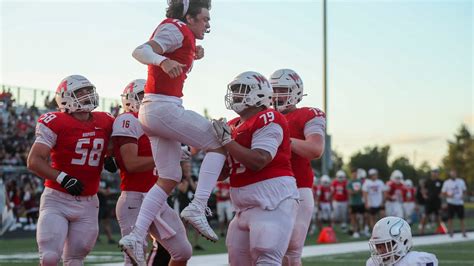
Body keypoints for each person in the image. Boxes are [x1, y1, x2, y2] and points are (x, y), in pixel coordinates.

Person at [120, 3, 226, 262]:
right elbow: (141, 50)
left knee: (169, 176)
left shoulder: (182, 34)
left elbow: (170, 52)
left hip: (154, 110)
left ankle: (136, 235)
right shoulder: (176, 27)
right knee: (219, 144)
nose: (207, 24)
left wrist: (189, 53)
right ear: (188, 17)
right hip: (163, 107)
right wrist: (163, 59)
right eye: (203, 19)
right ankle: (198, 206)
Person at [27, 75, 115, 265]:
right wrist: (63, 178)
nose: (86, 95)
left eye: (88, 90)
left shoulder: (106, 120)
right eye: (80, 92)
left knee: (76, 259)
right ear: (65, 98)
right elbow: (34, 160)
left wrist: (111, 157)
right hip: (57, 198)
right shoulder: (56, 121)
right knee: (50, 257)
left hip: (89, 201)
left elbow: (111, 148)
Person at [215, 71, 299, 265]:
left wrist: (227, 141)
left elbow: (259, 160)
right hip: (242, 207)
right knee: (237, 260)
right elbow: (222, 173)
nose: (235, 95)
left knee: (266, 257)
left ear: (259, 94)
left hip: (271, 201)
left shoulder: (270, 117)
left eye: (241, 89)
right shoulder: (232, 125)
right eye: (234, 90)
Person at [113, 79, 191, 265]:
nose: (147, 100)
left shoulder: (161, 124)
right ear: (130, 99)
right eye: (142, 96)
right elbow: (131, 163)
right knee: (134, 259)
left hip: (158, 199)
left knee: (183, 252)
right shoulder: (128, 119)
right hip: (134, 198)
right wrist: (169, 156)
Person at [269, 68, 326, 265]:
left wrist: (283, 139)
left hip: (297, 189)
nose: (277, 95)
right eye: (274, 90)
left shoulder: (307, 114)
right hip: (265, 190)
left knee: (291, 252)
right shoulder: (263, 115)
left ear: (296, 91)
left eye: (283, 89)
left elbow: (315, 149)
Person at [367, 216, 438, 266]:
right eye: (378, 246)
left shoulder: (415, 261)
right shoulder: (372, 263)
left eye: (386, 245)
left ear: (403, 241)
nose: (381, 251)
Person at [441, 169, 467, 237]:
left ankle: (464, 233)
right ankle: (451, 233)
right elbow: (443, 193)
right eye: (452, 174)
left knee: (462, 218)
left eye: (454, 173)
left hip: (459, 203)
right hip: (451, 202)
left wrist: (463, 196)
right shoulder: (447, 182)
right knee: (450, 218)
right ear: (450, 174)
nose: (453, 175)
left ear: (456, 174)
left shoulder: (461, 181)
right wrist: (449, 195)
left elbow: (464, 191)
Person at [420, 168, 443, 235]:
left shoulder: (441, 181)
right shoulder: (428, 181)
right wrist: (424, 195)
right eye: (434, 172)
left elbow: (444, 190)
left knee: (438, 217)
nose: (435, 173)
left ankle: (440, 230)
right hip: (429, 201)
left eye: (436, 172)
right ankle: (422, 231)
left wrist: (441, 195)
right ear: (431, 173)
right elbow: (423, 189)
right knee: (426, 216)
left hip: (437, 202)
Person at [347, 168, 365, 238]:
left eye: (355, 174)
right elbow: (350, 192)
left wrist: (356, 191)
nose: (354, 175)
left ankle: (361, 230)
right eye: (353, 174)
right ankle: (355, 231)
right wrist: (358, 191)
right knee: (353, 218)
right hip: (353, 203)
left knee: (362, 217)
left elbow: (363, 191)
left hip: (360, 202)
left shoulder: (360, 181)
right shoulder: (350, 182)